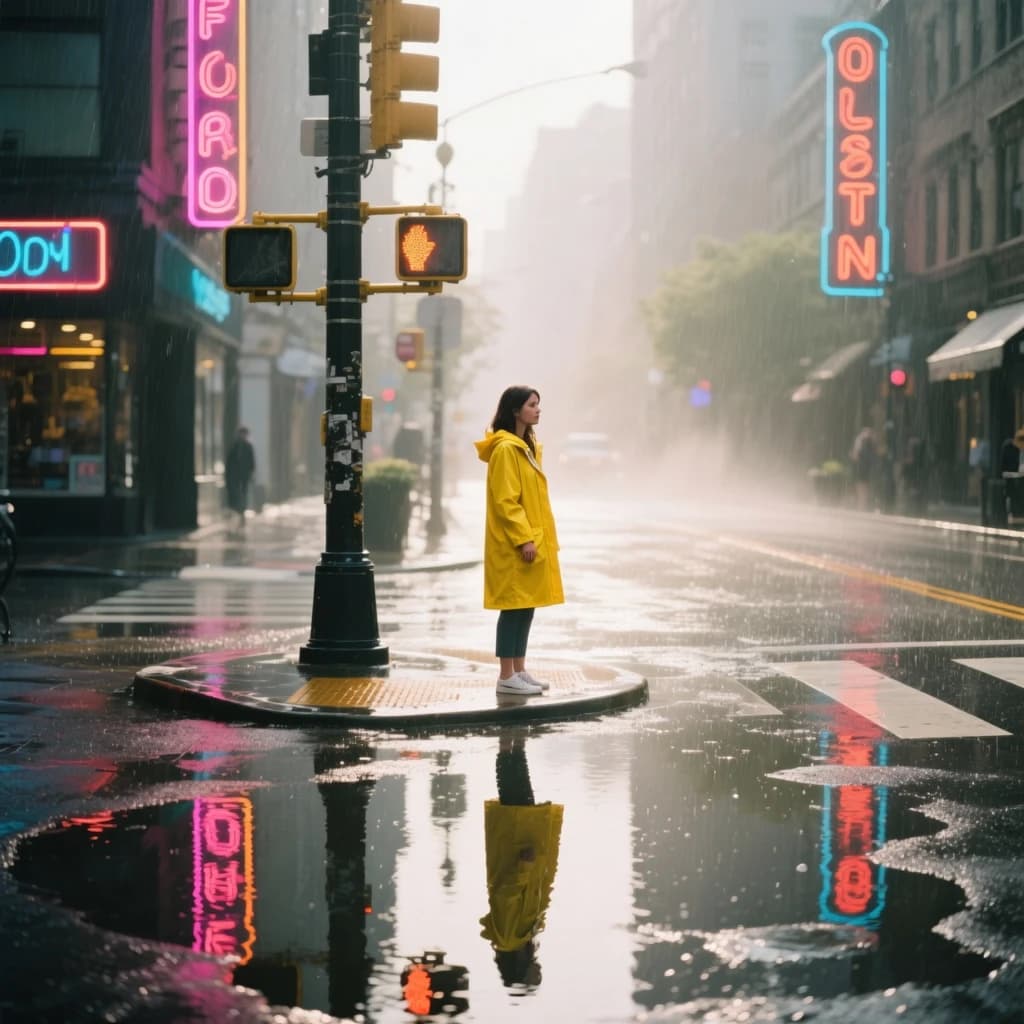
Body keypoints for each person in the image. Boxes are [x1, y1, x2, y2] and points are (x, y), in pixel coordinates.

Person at [474, 387, 564, 695]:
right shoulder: (505, 450)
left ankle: (519, 671)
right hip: (514, 543)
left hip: (530, 541)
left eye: (538, 404)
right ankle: (505, 675)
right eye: (532, 404)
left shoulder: (526, 448)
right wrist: (524, 538)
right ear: (515, 410)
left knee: (526, 607)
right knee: (512, 609)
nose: (538, 410)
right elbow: (506, 501)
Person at [479, 731, 563, 990]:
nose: (538, 971)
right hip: (527, 846)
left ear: (519, 971)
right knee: (521, 792)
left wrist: (524, 867)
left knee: (513, 791)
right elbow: (541, 892)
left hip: (517, 848)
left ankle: (508, 739)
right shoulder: (525, 936)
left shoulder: (508, 939)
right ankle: (516, 741)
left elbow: (506, 895)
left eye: (533, 977)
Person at [224, 425, 256, 532]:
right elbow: (229, 462)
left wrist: (251, 474)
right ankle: (237, 510)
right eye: (241, 434)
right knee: (235, 493)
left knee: (244, 493)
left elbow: (252, 462)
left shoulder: (248, 446)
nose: (243, 436)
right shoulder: (234, 446)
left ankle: (242, 512)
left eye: (244, 434)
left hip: (244, 476)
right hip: (235, 476)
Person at [850, 426, 877, 511]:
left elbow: (855, 456)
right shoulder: (862, 442)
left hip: (864, 469)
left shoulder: (865, 443)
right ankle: (861, 507)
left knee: (863, 490)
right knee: (862, 490)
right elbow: (855, 455)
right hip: (862, 469)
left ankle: (862, 507)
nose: (867, 434)